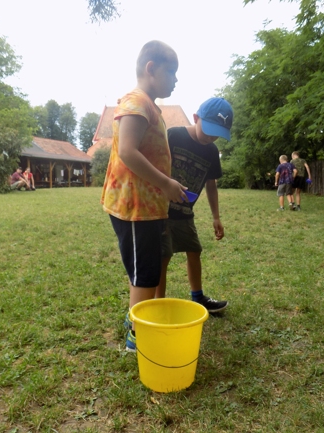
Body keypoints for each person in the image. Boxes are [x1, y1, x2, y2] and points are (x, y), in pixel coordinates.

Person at [100, 40, 186, 352]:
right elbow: (127, 152)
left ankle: (134, 318)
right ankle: (138, 337)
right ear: (151, 69)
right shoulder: (136, 103)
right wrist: (165, 183)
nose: (176, 79)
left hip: (146, 208)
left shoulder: (148, 105)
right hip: (136, 207)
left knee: (142, 269)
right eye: (172, 72)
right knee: (145, 274)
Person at [155, 97, 233, 314]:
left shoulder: (211, 151)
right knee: (164, 255)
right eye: (208, 129)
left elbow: (211, 185)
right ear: (196, 118)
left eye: (217, 133)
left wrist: (216, 217)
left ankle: (198, 297)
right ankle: (157, 305)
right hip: (162, 211)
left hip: (185, 212)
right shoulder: (174, 136)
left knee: (194, 250)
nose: (210, 137)